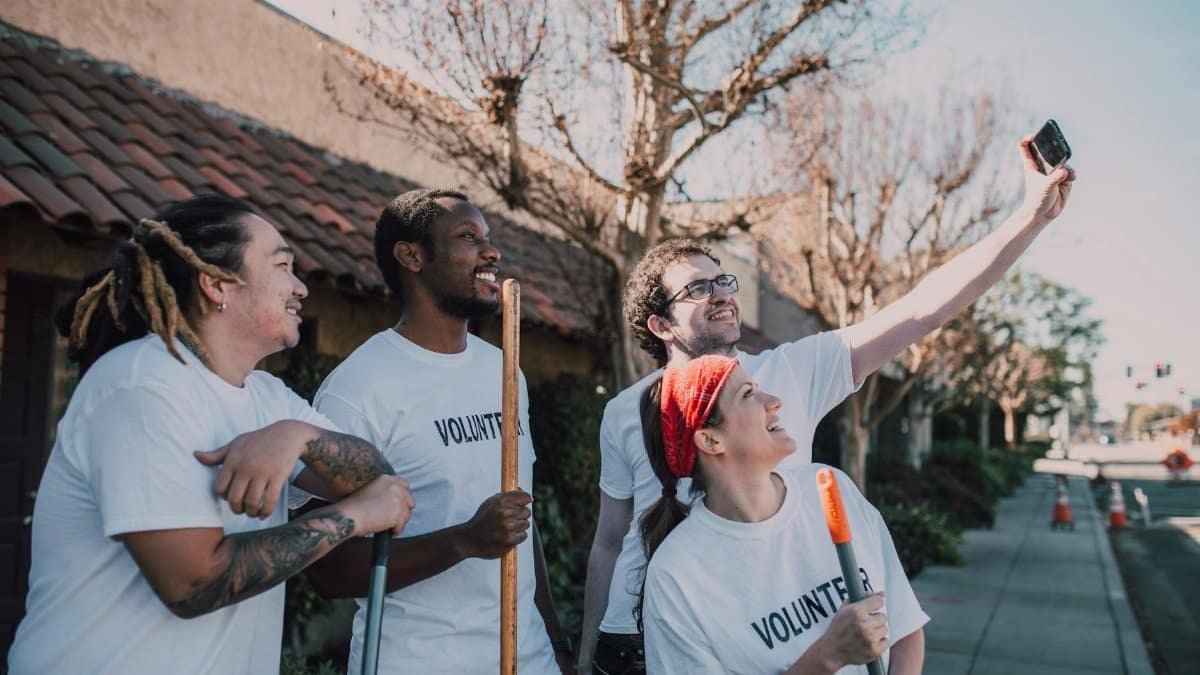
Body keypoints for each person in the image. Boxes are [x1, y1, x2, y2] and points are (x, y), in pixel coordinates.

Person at [579, 137, 1075, 672]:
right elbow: (610, 540)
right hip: (637, 640)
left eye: (724, 279)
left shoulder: (790, 371)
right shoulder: (625, 412)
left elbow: (923, 311)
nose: (722, 292)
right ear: (660, 325)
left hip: (779, 634)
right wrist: (585, 657)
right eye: (698, 288)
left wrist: (1030, 217)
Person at [6, 195, 414, 674]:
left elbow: (377, 480)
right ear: (217, 284)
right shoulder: (143, 386)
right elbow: (191, 582)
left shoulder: (269, 398)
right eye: (283, 266)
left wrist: (300, 436)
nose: (301, 288)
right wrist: (351, 518)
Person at [305, 189, 571, 674]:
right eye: (468, 237)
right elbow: (326, 568)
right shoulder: (358, 389)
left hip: (528, 659)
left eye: (489, 239)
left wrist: (556, 646)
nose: (491, 252)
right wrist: (462, 541)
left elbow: (519, 526)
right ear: (411, 256)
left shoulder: (505, 369)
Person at [640, 355, 926, 674]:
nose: (774, 402)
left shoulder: (830, 489)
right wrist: (826, 657)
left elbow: (905, 630)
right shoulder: (676, 576)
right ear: (710, 439)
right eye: (748, 394)